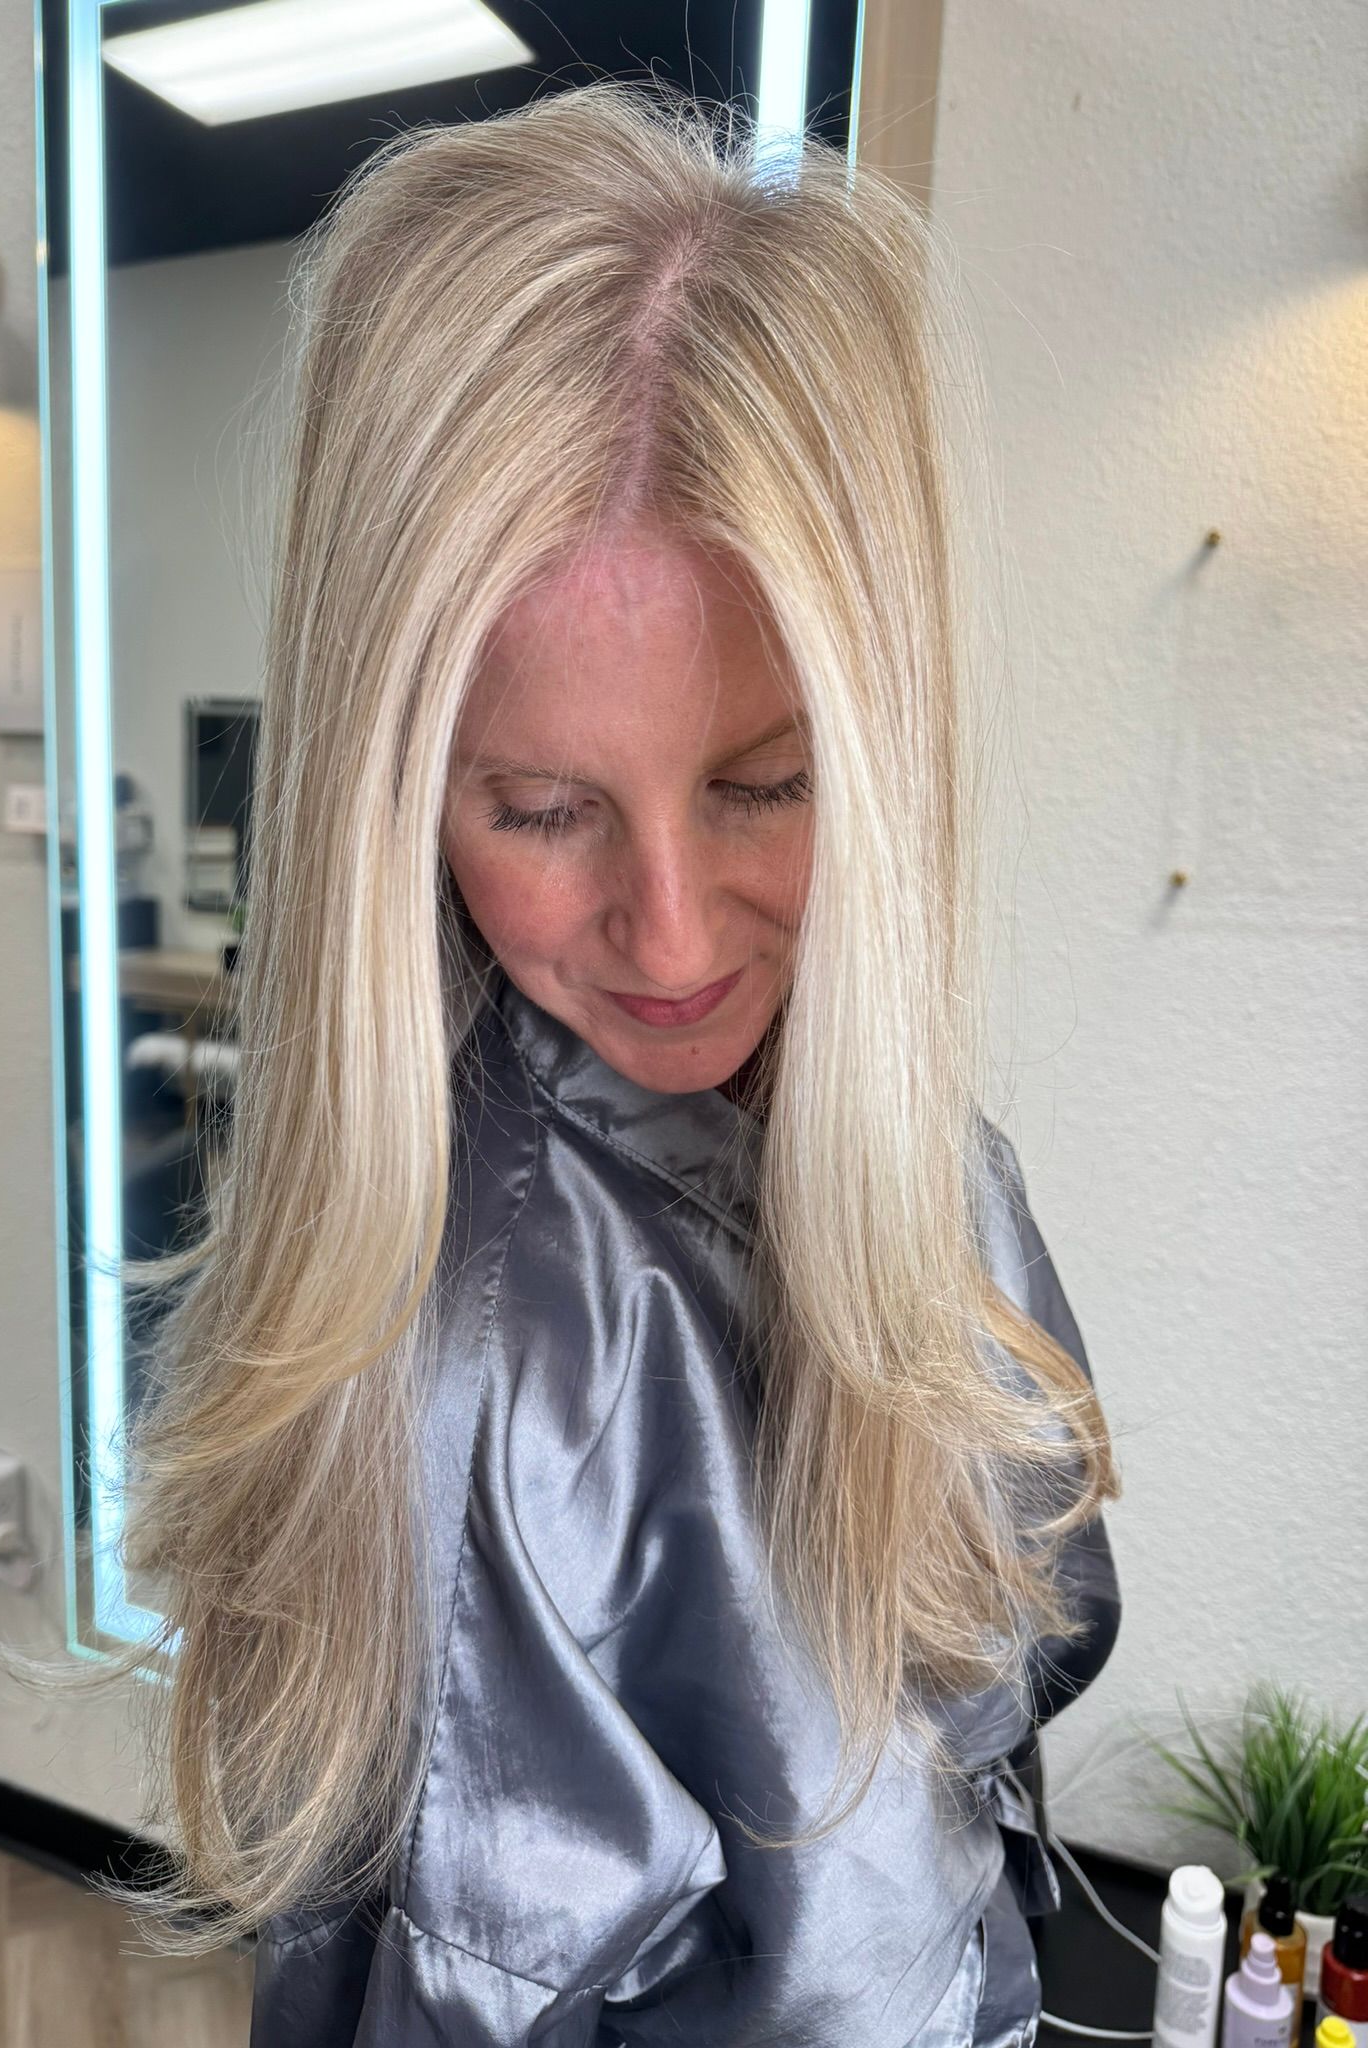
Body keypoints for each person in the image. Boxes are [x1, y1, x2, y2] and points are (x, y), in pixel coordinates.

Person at [104, 79, 1121, 2047]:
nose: (669, 940)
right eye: (546, 810)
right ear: (400, 795)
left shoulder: (924, 1151)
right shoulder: (485, 1378)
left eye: (766, 785)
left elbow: (1031, 1649)